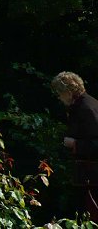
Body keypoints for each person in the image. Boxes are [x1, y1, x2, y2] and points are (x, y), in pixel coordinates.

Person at [51, 71, 98, 221]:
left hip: (92, 176)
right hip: (88, 174)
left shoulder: (86, 109)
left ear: (69, 91)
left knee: (89, 217)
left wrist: (75, 144)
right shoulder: (85, 104)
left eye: (60, 93)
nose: (58, 97)